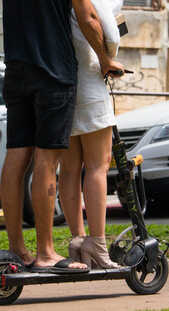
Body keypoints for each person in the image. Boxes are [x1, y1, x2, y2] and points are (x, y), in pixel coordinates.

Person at [0, 0, 123, 273]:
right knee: (47, 160)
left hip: (16, 69)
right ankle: (45, 253)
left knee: (16, 157)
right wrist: (106, 60)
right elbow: (88, 16)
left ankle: (17, 249)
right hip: (53, 71)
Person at [58, 0, 123, 268]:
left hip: (63, 84)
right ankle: (96, 243)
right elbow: (108, 31)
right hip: (89, 84)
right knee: (97, 167)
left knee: (69, 170)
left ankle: (77, 239)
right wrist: (110, 58)